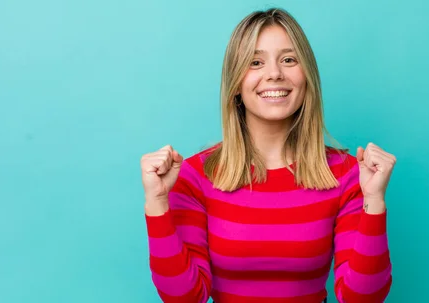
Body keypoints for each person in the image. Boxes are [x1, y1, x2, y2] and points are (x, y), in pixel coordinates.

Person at [140, 7, 396, 303]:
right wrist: (157, 203)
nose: (274, 74)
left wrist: (374, 201)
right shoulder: (195, 176)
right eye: (255, 62)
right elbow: (184, 297)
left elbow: (361, 297)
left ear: (307, 77)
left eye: (288, 60)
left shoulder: (348, 174)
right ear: (235, 83)